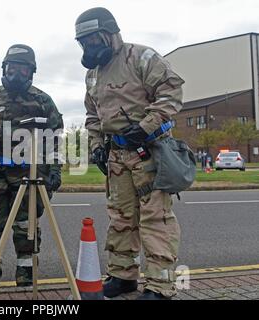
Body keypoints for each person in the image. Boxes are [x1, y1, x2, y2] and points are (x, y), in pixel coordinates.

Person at [75, 7, 185, 300]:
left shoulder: (141, 57)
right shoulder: (92, 75)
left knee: (155, 218)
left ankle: (160, 287)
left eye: (94, 40)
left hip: (149, 152)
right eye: (84, 42)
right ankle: (123, 276)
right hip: (117, 156)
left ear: (111, 35)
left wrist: (146, 126)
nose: (89, 47)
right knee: (121, 217)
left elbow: (171, 91)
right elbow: (92, 115)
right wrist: (97, 146)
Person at [0, 44, 64, 288]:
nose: (16, 74)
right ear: (4, 68)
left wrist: (55, 169)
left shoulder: (43, 101)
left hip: (28, 174)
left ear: (31, 72)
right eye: (12, 68)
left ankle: (25, 274)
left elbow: (55, 137)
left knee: (26, 226)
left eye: (22, 70)